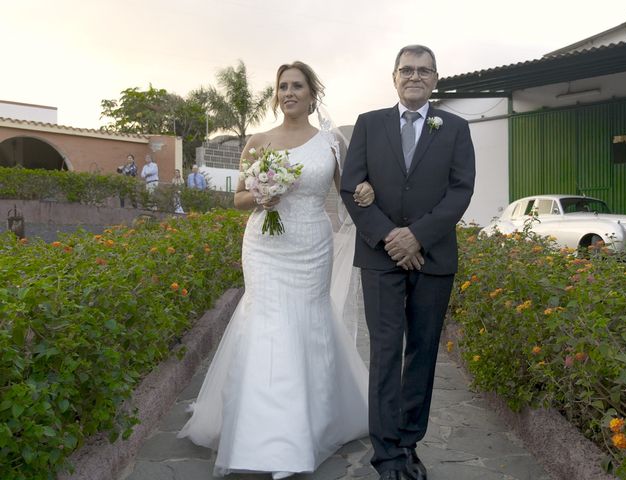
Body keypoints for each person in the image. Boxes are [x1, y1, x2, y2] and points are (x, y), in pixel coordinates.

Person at [178, 61, 374, 478]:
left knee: (306, 324)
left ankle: (312, 424)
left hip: (312, 245)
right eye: (282, 86)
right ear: (276, 95)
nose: (289, 92)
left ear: (311, 93)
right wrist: (263, 196)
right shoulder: (259, 141)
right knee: (269, 325)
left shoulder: (332, 143)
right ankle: (267, 436)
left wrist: (367, 189)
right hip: (266, 246)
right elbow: (239, 200)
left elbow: (348, 192)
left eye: (297, 86)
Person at [340, 45, 476, 480]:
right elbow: (351, 187)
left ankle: (408, 443)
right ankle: (386, 455)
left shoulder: (454, 127)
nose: (414, 76)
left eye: (423, 70)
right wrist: (389, 236)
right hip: (380, 260)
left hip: (433, 258)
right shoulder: (368, 124)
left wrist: (417, 235)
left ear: (436, 78)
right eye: (407, 70)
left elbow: (460, 190)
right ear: (394, 77)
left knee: (422, 353)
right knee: (384, 354)